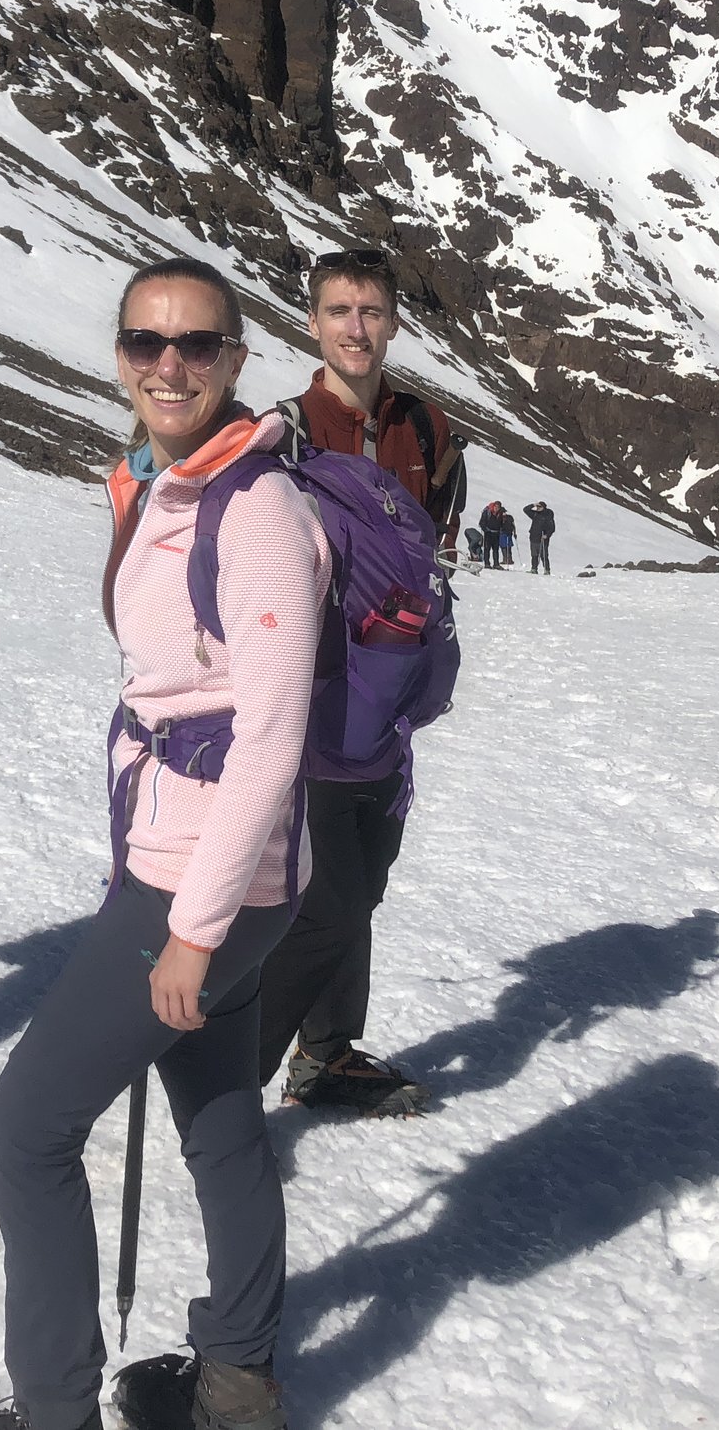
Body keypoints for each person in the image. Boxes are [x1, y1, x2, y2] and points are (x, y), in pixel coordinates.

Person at [0, 257, 325, 1430]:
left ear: (234, 360)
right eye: (144, 343)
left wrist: (191, 933)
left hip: (205, 879)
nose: (168, 365)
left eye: (196, 345)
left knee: (26, 1129)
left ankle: (56, 1411)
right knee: (220, 1115)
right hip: (201, 859)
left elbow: (271, 744)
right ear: (120, 353)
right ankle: (234, 1379)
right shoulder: (166, 482)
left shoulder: (255, 508)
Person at [255, 247, 461, 1120]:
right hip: (309, 698)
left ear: (394, 323)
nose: (356, 328)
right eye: (339, 310)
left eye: (372, 311)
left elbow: (434, 549)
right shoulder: (285, 431)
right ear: (312, 322)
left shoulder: (428, 429)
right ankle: (232, 1072)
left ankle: (328, 1051)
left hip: (387, 702)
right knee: (324, 896)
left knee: (363, 881)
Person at [524, 500, 556, 574]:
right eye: (537, 506)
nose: (538, 508)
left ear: (544, 507)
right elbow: (525, 509)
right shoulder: (535, 514)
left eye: (539, 506)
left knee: (544, 555)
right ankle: (534, 569)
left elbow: (552, 528)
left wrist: (547, 535)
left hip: (542, 539)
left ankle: (547, 570)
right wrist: (533, 505)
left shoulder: (548, 516)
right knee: (534, 555)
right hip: (533, 537)